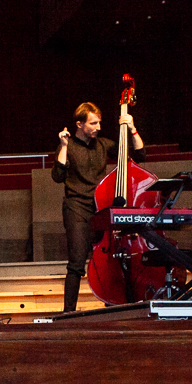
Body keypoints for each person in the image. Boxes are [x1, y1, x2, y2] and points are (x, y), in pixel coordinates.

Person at [51, 102, 145, 312]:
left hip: (100, 207)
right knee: (76, 262)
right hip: (77, 207)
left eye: (99, 122)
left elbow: (140, 156)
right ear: (79, 124)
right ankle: (69, 312)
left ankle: (111, 305)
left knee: (110, 259)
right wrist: (64, 147)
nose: (98, 127)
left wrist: (132, 129)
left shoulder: (103, 144)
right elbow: (57, 176)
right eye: (93, 123)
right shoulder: (68, 146)